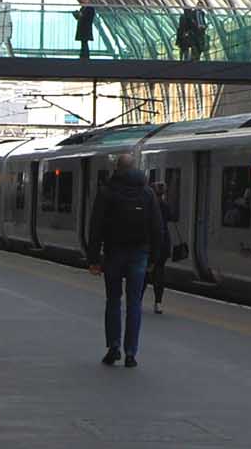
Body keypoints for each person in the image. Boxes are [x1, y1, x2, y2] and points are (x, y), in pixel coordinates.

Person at [86, 154, 168, 367]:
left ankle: (114, 348)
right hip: (139, 254)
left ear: (117, 168)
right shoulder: (147, 193)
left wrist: (93, 258)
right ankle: (131, 353)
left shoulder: (107, 192)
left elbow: (96, 227)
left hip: (114, 253)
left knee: (113, 300)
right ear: (135, 169)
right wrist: (155, 258)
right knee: (134, 304)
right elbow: (157, 228)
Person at [149, 181, 174, 314]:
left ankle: (136, 300)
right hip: (164, 243)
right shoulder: (165, 206)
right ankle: (158, 303)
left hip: (150, 243)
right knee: (159, 273)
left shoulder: (149, 206)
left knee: (144, 272)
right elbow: (171, 217)